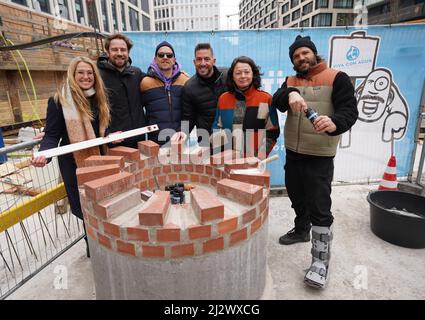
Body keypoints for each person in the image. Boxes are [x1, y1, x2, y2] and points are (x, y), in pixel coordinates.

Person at [272, 35, 358, 288]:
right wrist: (290, 93)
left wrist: (335, 123)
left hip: (320, 154)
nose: (301, 58)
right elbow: (276, 100)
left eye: (304, 53)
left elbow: (349, 110)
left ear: (314, 53)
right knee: (296, 195)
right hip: (294, 152)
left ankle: (320, 261)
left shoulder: (336, 77)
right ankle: (301, 230)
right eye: (296, 56)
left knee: (320, 206)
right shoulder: (290, 81)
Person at [31, 56, 120, 258]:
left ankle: (105, 243)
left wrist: (110, 136)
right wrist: (44, 155)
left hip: (100, 158)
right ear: (73, 74)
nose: (86, 77)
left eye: (89, 73)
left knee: (102, 201)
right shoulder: (58, 101)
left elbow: (104, 128)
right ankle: (92, 244)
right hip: (74, 163)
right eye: (81, 72)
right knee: (84, 206)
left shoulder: (99, 98)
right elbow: (52, 134)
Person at [212, 56, 279, 158]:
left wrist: (258, 158)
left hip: (254, 164)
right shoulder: (223, 99)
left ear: (253, 74)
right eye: (238, 73)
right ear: (232, 76)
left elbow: (272, 133)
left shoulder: (266, 99)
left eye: (247, 72)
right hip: (228, 161)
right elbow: (217, 127)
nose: (243, 76)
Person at [172, 43, 227, 146]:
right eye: (199, 59)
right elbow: (188, 118)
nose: (202, 63)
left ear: (213, 61)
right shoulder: (189, 87)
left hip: (232, 140)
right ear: (194, 62)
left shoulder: (228, 77)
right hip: (207, 143)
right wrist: (182, 132)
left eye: (206, 59)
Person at [97, 33, 147, 148]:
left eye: (123, 50)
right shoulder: (98, 76)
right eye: (115, 50)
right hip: (115, 141)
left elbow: (154, 78)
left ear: (128, 52)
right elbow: (94, 109)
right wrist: (106, 132)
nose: (119, 53)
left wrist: (178, 74)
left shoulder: (136, 73)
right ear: (107, 51)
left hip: (139, 139)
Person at [140, 41, 189, 145]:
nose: (165, 57)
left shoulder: (185, 80)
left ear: (174, 60)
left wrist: (184, 130)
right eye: (161, 55)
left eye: (169, 55)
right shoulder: (145, 82)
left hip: (180, 140)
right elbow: (137, 111)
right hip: (155, 142)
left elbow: (190, 111)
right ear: (155, 59)